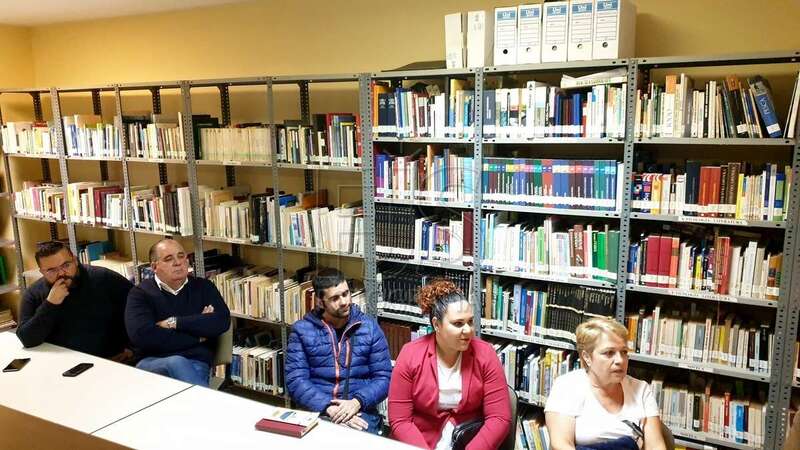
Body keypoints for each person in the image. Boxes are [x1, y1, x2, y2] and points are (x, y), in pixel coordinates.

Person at [389, 279, 511, 450]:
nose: (468, 330)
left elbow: (499, 418)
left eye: (470, 322)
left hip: (469, 441)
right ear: (436, 324)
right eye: (458, 324)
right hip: (421, 442)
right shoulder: (410, 355)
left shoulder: (485, 354)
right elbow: (400, 420)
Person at [285, 268, 391, 434]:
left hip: (360, 410)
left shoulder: (369, 328)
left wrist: (356, 402)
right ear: (320, 302)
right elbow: (295, 380)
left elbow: (384, 378)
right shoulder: (301, 331)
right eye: (335, 298)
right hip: (318, 410)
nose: (344, 301)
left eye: (346, 294)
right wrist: (330, 408)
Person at [545, 317, 667, 450]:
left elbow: (656, 446)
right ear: (587, 357)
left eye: (624, 352)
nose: (620, 360)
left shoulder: (641, 389)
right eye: (609, 353)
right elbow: (561, 444)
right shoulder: (567, 386)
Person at [125, 239, 230, 386]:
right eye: (169, 259)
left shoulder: (204, 287)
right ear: (154, 267)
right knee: (176, 362)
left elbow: (221, 321)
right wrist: (198, 335)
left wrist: (174, 322)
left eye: (181, 256)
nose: (178, 262)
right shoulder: (140, 294)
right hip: (152, 362)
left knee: (185, 378)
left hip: (196, 361)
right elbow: (142, 336)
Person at [17, 241, 133, 361]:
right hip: (61, 361)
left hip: (111, 360)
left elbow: (139, 311)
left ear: (76, 261)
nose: (61, 273)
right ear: (42, 272)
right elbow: (27, 339)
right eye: (52, 270)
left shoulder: (104, 278)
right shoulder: (34, 293)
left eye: (66, 265)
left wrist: (133, 350)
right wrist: (50, 304)